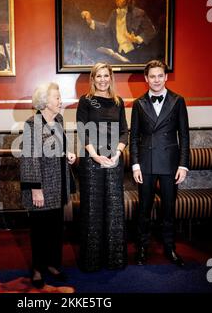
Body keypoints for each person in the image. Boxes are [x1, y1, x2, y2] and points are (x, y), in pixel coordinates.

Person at [129, 59, 190, 267]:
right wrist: (135, 164)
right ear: (146, 79)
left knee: (169, 209)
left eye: (159, 75)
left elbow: (184, 135)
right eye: (152, 76)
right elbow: (134, 137)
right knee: (144, 209)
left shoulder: (178, 100)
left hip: (170, 165)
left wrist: (183, 165)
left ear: (165, 77)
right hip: (145, 164)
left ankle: (170, 248)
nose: (156, 80)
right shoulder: (138, 103)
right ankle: (142, 248)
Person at [20, 82, 76, 288]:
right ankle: (37, 268)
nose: (60, 101)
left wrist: (67, 154)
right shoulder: (31, 125)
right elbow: (29, 159)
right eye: (57, 97)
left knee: (55, 229)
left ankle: (53, 264)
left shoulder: (58, 119)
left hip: (59, 185)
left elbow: (59, 146)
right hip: (41, 188)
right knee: (39, 231)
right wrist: (36, 189)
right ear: (44, 102)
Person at [76, 62, 128, 272]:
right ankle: (91, 262)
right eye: (99, 76)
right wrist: (96, 156)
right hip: (91, 161)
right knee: (92, 209)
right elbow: (82, 130)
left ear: (111, 78)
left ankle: (114, 260)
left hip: (114, 161)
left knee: (114, 210)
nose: (103, 80)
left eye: (106, 76)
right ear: (93, 79)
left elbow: (124, 130)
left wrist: (116, 154)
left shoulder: (118, 101)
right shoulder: (86, 101)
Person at [81, 0, 157, 63]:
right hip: (118, 55)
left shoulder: (139, 13)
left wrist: (137, 39)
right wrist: (90, 21)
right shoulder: (114, 13)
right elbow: (106, 29)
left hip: (136, 55)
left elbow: (151, 31)